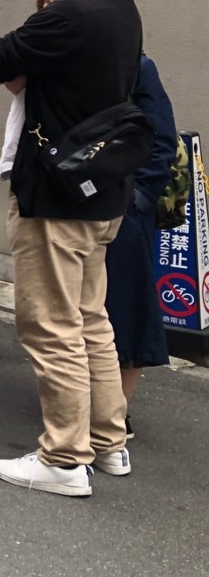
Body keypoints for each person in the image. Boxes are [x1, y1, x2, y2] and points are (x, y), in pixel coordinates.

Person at [0, 0, 175, 497]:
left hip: (56, 194)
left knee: (51, 324)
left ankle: (63, 458)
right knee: (91, 319)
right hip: (100, 193)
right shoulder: (124, 13)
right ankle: (108, 442)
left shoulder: (73, 11)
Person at [105, 53, 177, 440]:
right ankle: (94, 404)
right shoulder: (81, 63)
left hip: (126, 208)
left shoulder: (138, 67)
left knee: (128, 308)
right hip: (87, 206)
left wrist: (137, 199)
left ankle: (116, 412)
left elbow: (162, 139)